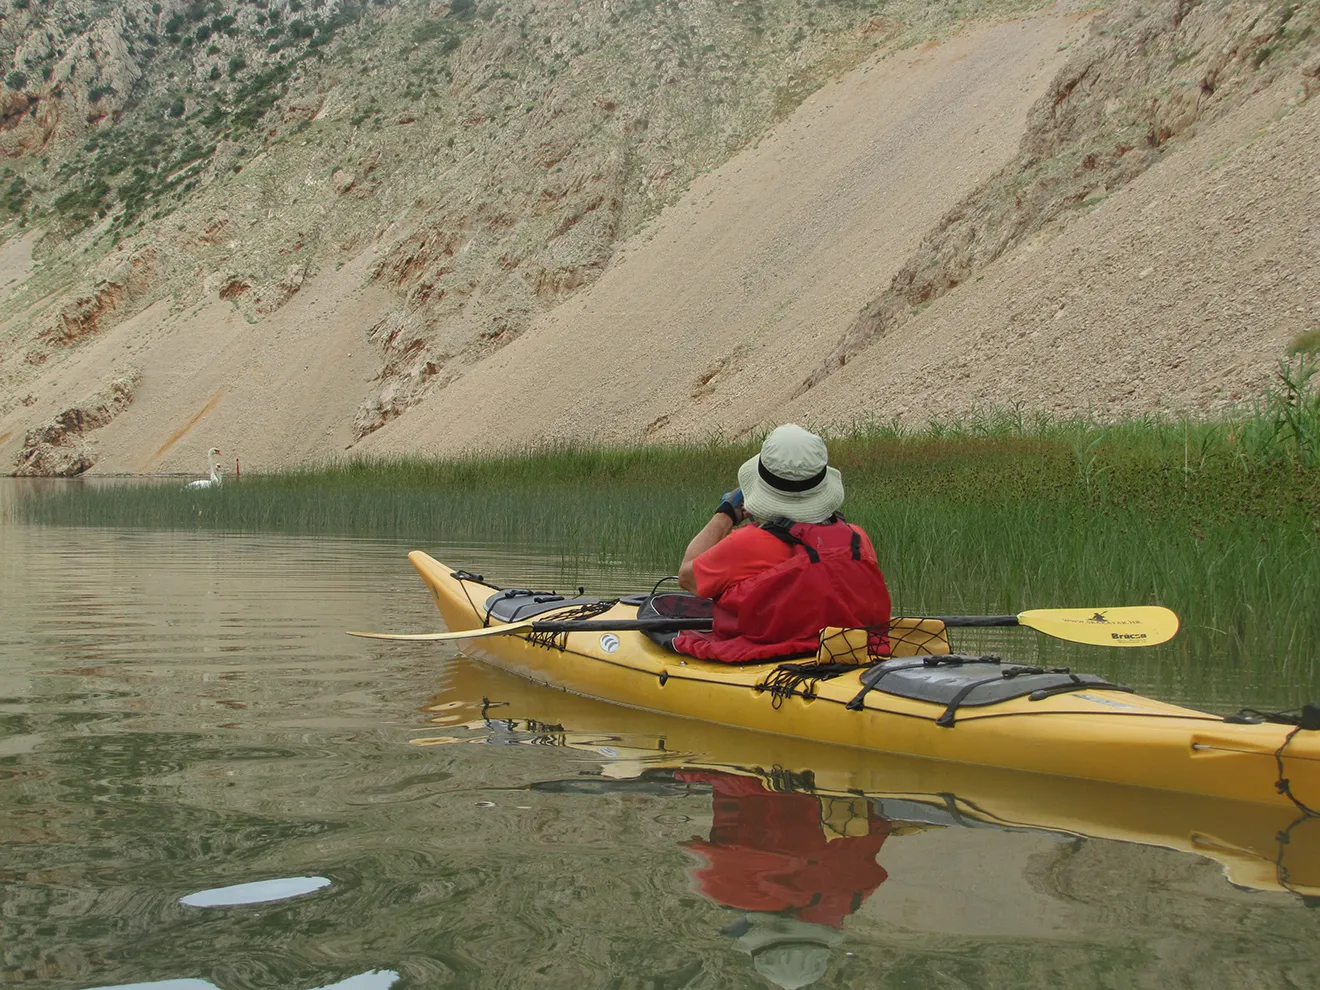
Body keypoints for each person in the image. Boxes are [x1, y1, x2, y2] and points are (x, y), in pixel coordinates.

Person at [674, 424, 891, 663]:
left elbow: (687, 576)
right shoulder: (857, 539)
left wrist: (726, 513)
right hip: (849, 656)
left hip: (770, 660)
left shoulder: (749, 543)